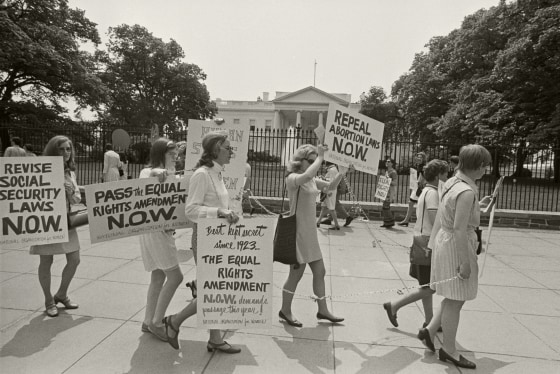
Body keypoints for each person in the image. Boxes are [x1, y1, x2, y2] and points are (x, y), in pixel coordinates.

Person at [163, 131, 241, 353]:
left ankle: (215, 339)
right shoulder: (202, 174)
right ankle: (174, 321)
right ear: (216, 149)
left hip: (219, 237)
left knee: (215, 289)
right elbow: (191, 210)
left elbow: (217, 207)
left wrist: (228, 215)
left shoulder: (217, 174)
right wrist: (220, 211)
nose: (231, 151)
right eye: (227, 147)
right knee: (213, 291)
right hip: (206, 239)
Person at [419, 144, 492, 370]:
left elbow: (451, 213)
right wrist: (465, 262)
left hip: (445, 240)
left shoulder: (452, 182)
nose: (486, 170)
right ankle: (449, 350)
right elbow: (460, 228)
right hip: (455, 245)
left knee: (451, 296)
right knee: (456, 299)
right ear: (478, 166)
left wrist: (476, 208)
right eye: (485, 166)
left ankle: (430, 331)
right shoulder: (467, 190)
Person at [279, 144, 347, 327]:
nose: (313, 163)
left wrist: (342, 172)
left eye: (314, 160)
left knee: (320, 271)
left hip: (309, 233)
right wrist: (321, 157)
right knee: (296, 275)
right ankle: (285, 310)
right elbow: (307, 175)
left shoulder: (310, 180)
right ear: (298, 161)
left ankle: (322, 309)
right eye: (309, 160)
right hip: (298, 233)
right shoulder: (293, 178)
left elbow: (330, 188)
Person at [383, 160, 449, 329]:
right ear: (438, 175)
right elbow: (436, 221)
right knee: (431, 287)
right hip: (428, 242)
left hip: (421, 239)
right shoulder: (433, 193)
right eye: (445, 173)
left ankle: (429, 320)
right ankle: (394, 305)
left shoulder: (426, 191)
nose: (447, 176)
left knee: (426, 284)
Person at [29, 136, 82, 317]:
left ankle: (61, 294)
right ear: (53, 151)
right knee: (46, 261)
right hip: (46, 221)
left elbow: (77, 199)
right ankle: (48, 300)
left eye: (68, 149)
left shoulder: (70, 172)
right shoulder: (41, 171)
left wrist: (70, 192)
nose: (66, 153)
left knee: (74, 259)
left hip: (66, 221)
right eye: (61, 149)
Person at [138, 138, 184, 342]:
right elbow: (149, 176)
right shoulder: (149, 172)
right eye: (170, 153)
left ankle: (148, 320)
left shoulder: (173, 174)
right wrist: (159, 173)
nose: (175, 156)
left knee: (158, 277)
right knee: (176, 277)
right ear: (160, 154)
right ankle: (157, 323)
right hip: (156, 231)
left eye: (176, 153)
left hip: (161, 229)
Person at [398, 152, 427, 226]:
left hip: (420, 187)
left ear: (423, 159)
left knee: (418, 204)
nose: (419, 158)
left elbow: (424, 177)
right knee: (412, 203)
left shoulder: (423, 167)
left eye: (421, 157)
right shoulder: (419, 166)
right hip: (417, 186)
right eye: (418, 157)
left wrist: (420, 184)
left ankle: (413, 221)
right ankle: (407, 220)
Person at [316, 162, 342, 230]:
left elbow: (330, 182)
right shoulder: (333, 169)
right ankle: (318, 222)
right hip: (329, 190)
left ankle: (337, 224)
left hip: (329, 191)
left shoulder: (331, 170)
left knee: (331, 208)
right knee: (324, 207)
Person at [381, 158, 398, 228]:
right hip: (386, 192)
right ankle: (387, 222)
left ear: (392, 164)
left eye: (389, 161)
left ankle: (390, 221)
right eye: (386, 161)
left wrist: (387, 181)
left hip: (390, 192)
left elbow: (395, 182)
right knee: (385, 207)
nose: (387, 162)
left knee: (385, 207)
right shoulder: (387, 171)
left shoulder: (393, 172)